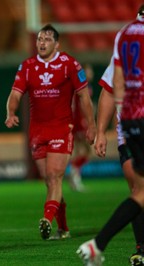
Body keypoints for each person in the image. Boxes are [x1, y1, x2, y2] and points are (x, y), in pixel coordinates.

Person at [5, 24, 96, 241]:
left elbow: (84, 96)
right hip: (37, 132)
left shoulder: (69, 64)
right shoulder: (27, 66)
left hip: (61, 128)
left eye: (47, 39)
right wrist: (11, 112)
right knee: (49, 180)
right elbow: (15, 93)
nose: (42, 43)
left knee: (55, 177)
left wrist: (92, 125)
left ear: (57, 44)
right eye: (39, 39)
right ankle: (63, 229)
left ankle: (47, 218)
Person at [77, 5, 144, 266]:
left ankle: (98, 245)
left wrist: (111, 127)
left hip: (130, 122)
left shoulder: (124, 35)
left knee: (139, 191)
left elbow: (113, 84)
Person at [89, 57, 144, 265]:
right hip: (131, 133)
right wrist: (101, 131)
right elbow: (108, 91)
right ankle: (141, 249)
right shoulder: (124, 53)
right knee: (138, 189)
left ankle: (98, 244)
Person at [68, 63, 94, 192]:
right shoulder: (80, 88)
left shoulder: (85, 87)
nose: (91, 74)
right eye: (88, 71)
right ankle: (74, 175)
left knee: (79, 152)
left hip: (80, 123)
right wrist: (80, 124)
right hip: (79, 124)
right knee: (86, 151)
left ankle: (75, 178)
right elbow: (78, 108)